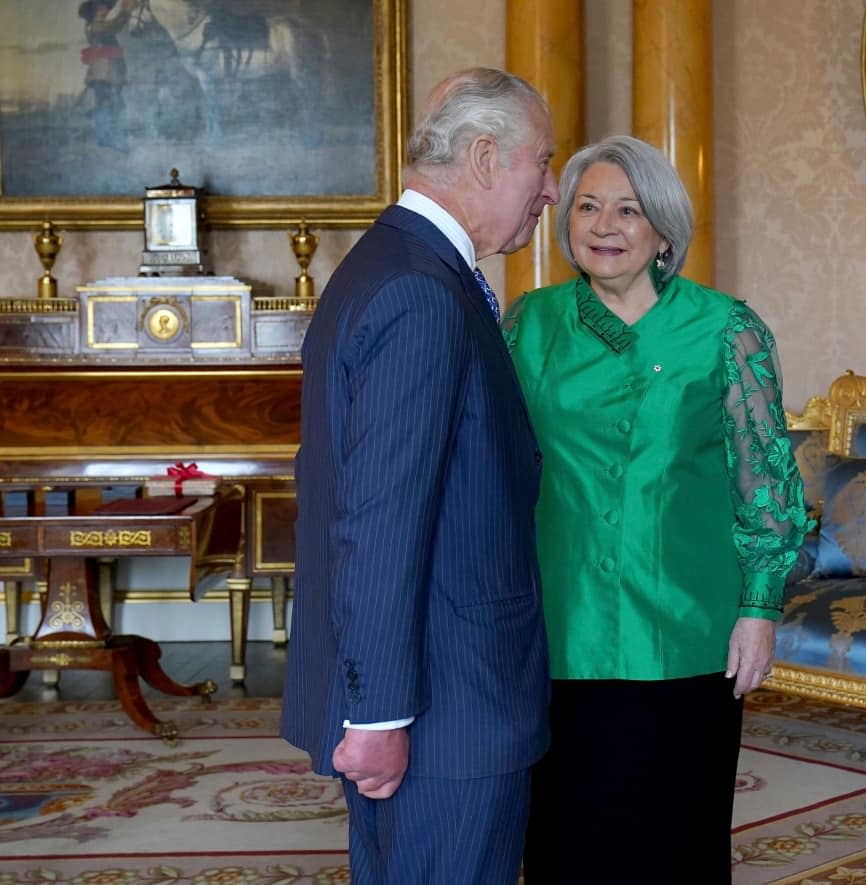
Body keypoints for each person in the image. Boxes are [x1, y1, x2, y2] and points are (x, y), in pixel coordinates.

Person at [504, 135, 812, 884]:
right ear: (565, 221)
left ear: (663, 231)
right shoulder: (528, 324)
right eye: (587, 206)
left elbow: (766, 482)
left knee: (677, 836)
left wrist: (759, 608)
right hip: (560, 627)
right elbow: (498, 469)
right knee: (564, 837)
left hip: (685, 630)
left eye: (628, 209)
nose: (604, 225)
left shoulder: (727, 329)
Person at [280, 67, 558, 885]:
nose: (548, 190)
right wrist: (380, 713)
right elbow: (381, 519)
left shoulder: (398, 264)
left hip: (439, 693)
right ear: (483, 157)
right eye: (541, 163)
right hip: (446, 706)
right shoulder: (421, 292)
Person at [77, 0, 136, 150]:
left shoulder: (98, 25)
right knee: (107, 105)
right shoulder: (96, 25)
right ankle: (107, 139)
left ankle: (108, 138)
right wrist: (126, 11)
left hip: (109, 73)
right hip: (103, 74)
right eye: (99, 8)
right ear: (93, 12)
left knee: (111, 106)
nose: (104, 11)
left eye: (104, 8)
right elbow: (114, 26)